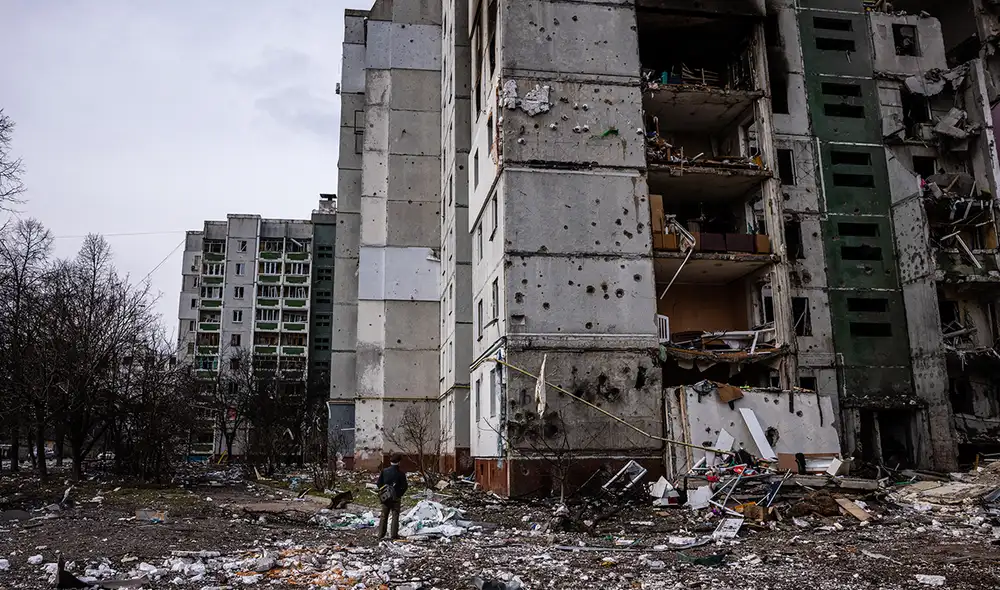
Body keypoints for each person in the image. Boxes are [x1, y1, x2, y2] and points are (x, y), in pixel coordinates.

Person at [377, 453, 408, 540]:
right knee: (395, 515)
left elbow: (379, 483)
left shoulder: (384, 471)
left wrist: (383, 492)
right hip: (396, 498)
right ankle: (394, 535)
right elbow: (405, 486)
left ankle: (381, 534)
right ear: (399, 462)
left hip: (385, 497)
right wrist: (399, 494)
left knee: (384, 516)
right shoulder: (401, 474)